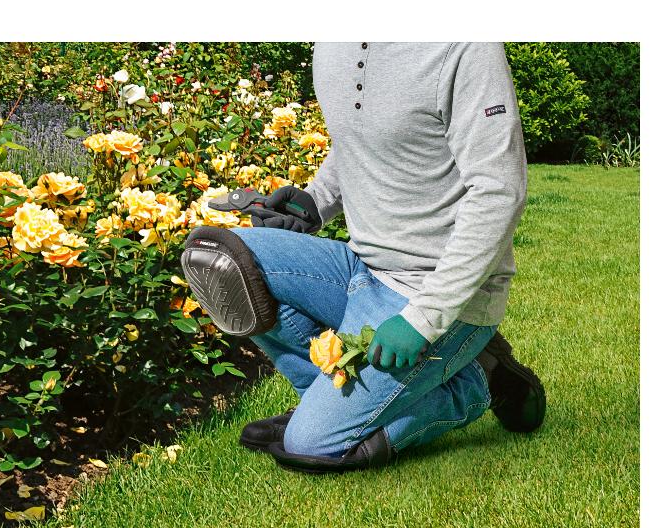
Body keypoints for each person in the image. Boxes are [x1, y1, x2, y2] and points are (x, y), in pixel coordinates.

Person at [181, 42, 545, 474]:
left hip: (436, 290)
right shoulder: (333, 44)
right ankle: (332, 405)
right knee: (223, 259)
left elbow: (500, 192)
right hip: (362, 269)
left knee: (310, 445)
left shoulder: (464, 46)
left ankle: (476, 382)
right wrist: (315, 201)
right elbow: (358, 138)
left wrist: (424, 318)